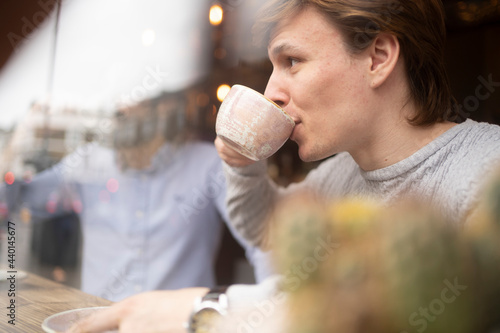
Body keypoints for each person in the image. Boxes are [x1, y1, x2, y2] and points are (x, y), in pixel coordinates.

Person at [68, 0, 500, 332]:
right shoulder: (340, 173)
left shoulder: (487, 168)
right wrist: (242, 164)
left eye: (291, 61)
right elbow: (269, 231)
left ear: (378, 57)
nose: (271, 90)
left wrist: (205, 310)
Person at [1, 91, 264, 302]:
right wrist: (13, 151)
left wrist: (276, 309)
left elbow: (262, 241)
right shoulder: (88, 162)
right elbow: (17, 204)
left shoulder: (207, 164)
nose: (120, 108)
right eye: (117, 97)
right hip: (98, 324)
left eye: (132, 97)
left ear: (166, 107)